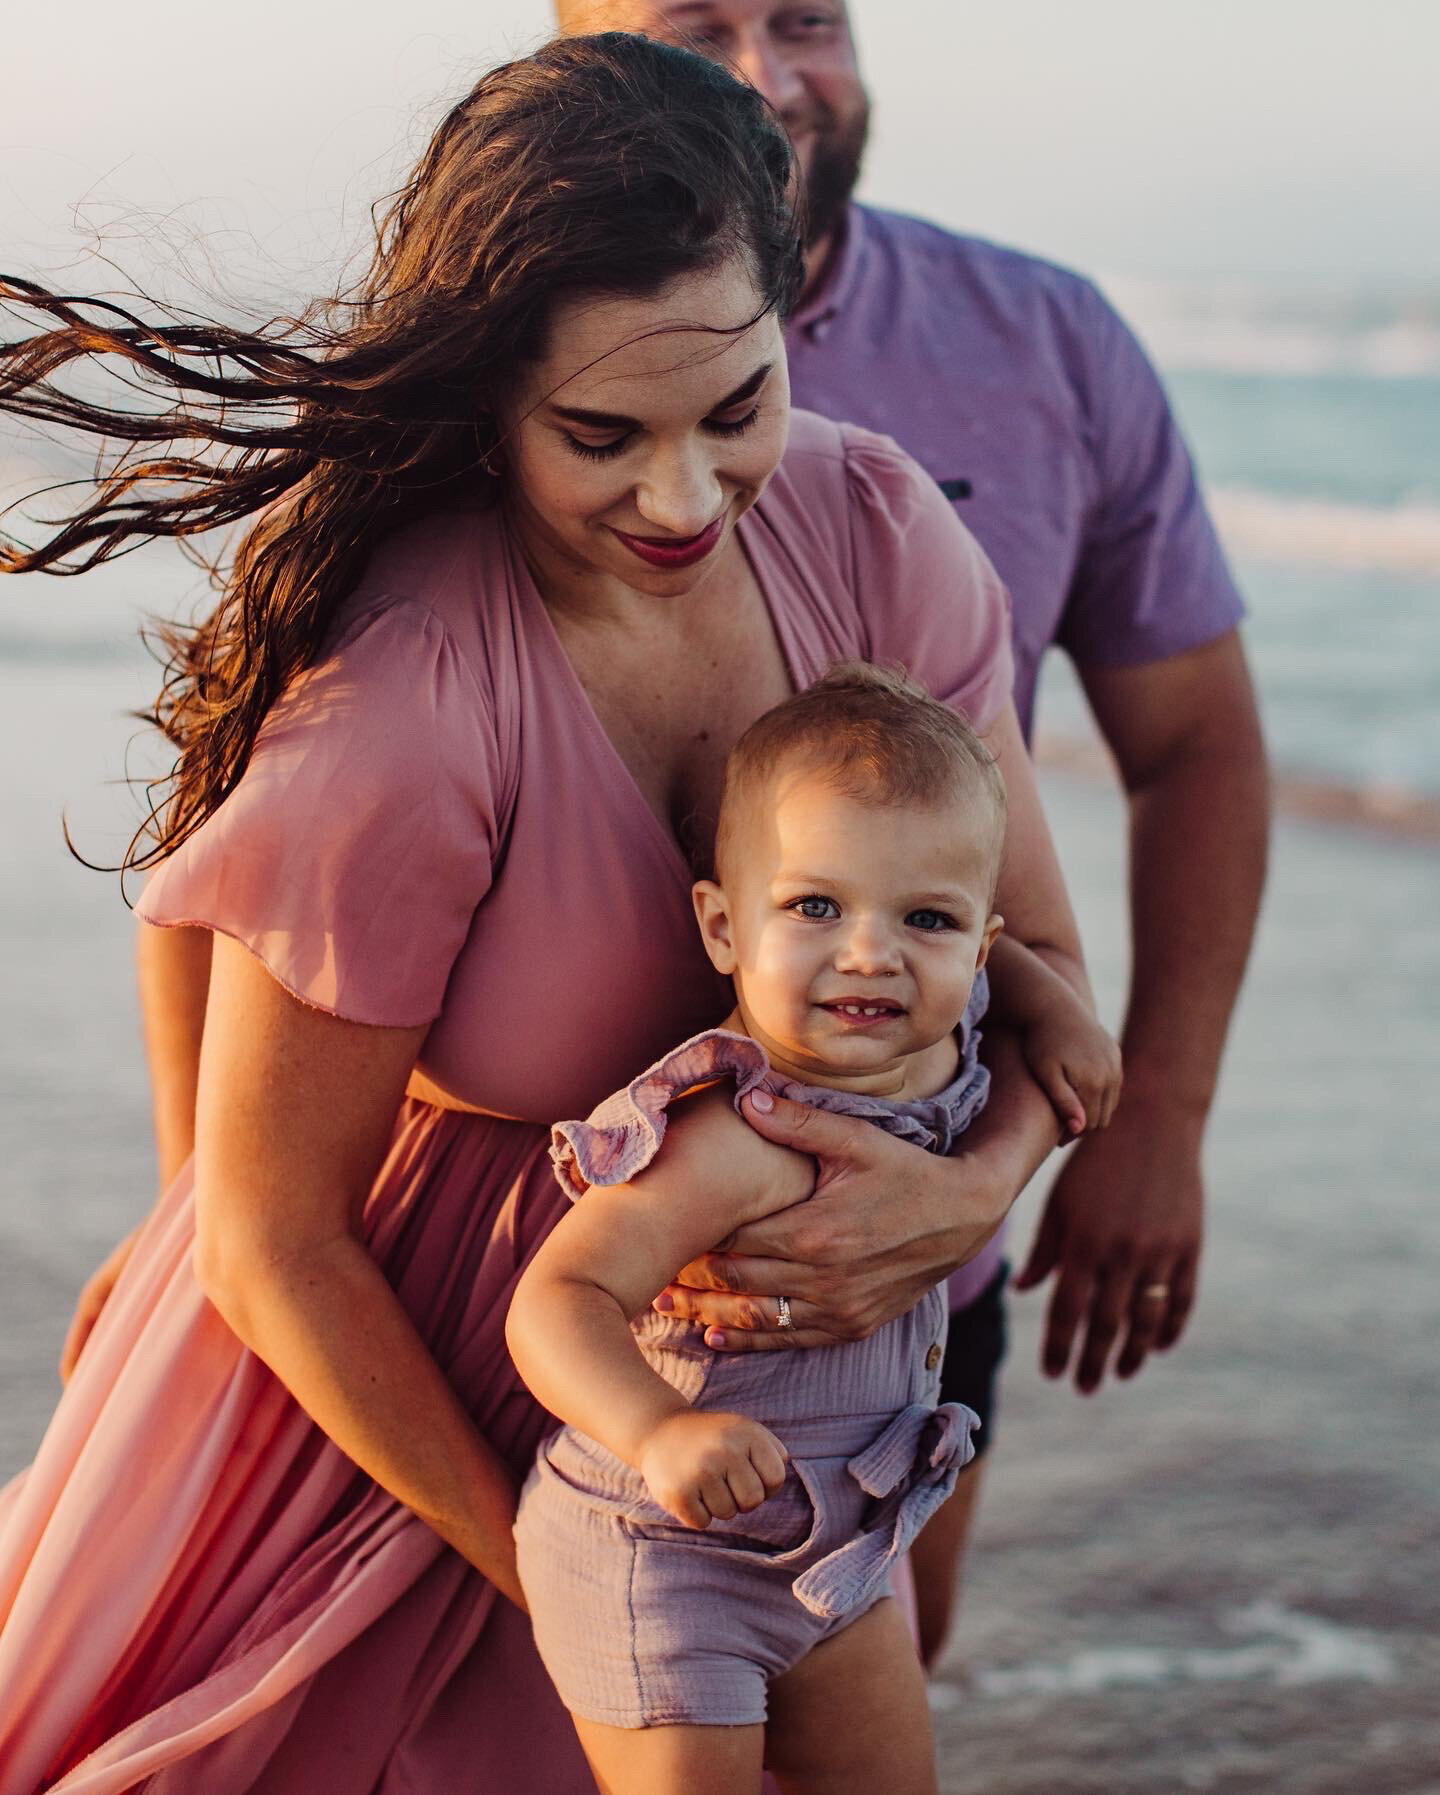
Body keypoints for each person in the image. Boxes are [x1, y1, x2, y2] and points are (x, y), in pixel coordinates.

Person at [0, 33, 1085, 1793]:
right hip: (402, 1403)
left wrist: (970, 1189)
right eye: (601, 435)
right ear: (493, 401)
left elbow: (1039, 972)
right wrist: (573, 1582)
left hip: (793, 1422)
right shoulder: (414, 697)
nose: (683, 499)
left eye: (737, 408)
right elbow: (276, 1233)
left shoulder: (883, 537)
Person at [555, 0, 1271, 1665]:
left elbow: (1200, 745)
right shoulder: (513, 350)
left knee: (873, 1691)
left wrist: (1140, 1118)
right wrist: (219, 1224)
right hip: (556, 1258)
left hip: (920, 1234)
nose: (764, 73)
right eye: (693, 24)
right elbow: (281, 804)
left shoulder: (1047, 343)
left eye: (806, 17)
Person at [507, 666, 1122, 1795]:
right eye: (815, 907)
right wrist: (656, 1432)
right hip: (665, 1551)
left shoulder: (938, 1033)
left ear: (977, 949)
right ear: (724, 926)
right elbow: (557, 1302)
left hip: (839, 1550)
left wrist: (1059, 1009)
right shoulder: (735, 1135)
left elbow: (1001, 977)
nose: (870, 954)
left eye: (923, 919)